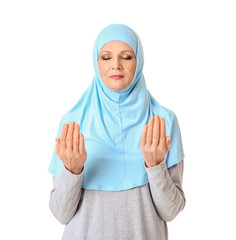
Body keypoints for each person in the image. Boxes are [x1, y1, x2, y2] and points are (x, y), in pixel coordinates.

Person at [48, 23, 186, 240]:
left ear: (138, 61)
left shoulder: (163, 122)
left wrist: (155, 165)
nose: (116, 65)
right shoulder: (73, 123)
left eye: (126, 57)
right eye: (106, 57)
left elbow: (171, 211)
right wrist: (72, 171)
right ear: (96, 63)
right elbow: (61, 214)